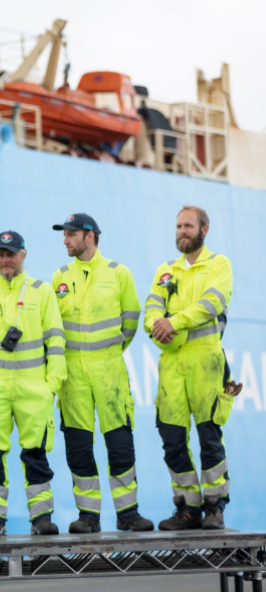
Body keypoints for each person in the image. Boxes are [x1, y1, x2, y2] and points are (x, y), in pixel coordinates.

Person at [51, 215, 154, 534]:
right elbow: (54, 326)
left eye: (71, 234)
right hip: (72, 378)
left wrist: (107, 353)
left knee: (120, 446)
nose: (65, 240)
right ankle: (88, 517)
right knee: (79, 449)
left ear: (90, 236)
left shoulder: (118, 273)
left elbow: (130, 321)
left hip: (109, 373)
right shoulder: (60, 277)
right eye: (64, 235)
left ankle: (128, 515)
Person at [0, 231, 66, 537]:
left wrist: (52, 385)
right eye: (1, 254)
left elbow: (55, 341)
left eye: (11, 254)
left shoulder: (41, 291)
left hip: (34, 390)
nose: (6, 260)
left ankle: (41, 519)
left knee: (36, 456)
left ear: (24, 255)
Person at [144, 206, 235, 530]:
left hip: (207, 361)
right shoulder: (165, 271)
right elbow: (151, 310)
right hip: (171, 365)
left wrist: (173, 323)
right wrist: (160, 327)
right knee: (171, 439)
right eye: (179, 225)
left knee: (209, 438)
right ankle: (188, 509)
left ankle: (215, 508)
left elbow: (212, 303)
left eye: (188, 226)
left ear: (204, 230)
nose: (182, 231)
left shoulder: (218, 264)